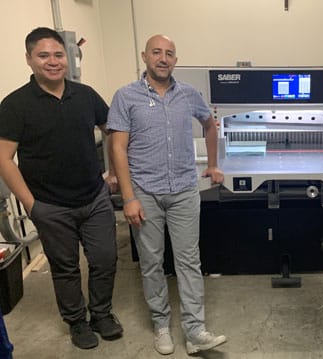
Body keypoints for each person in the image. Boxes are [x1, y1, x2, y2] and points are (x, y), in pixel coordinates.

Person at [0, 27, 123, 350]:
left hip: (94, 197)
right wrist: (31, 204)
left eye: (58, 55)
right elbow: (3, 159)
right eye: (43, 56)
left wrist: (111, 173)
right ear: (29, 60)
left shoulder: (85, 95)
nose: (52, 62)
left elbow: (114, 132)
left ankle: (101, 313)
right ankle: (77, 321)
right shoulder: (15, 105)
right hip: (50, 205)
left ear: (66, 58)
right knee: (65, 268)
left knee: (105, 258)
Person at [107, 34, 227, 355]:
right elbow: (117, 146)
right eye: (157, 52)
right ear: (144, 56)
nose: (163, 58)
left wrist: (213, 164)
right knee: (151, 262)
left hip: (184, 190)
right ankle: (161, 324)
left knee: (189, 261)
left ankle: (194, 331)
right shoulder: (126, 96)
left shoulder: (188, 94)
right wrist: (129, 197)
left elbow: (210, 124)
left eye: (170, 53)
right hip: (144, 193)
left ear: (176, 59)